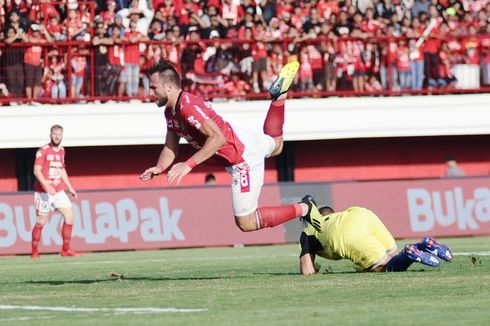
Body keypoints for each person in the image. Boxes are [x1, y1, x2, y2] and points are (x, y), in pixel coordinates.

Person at [140, 58, 325, 233]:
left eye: (153, 87)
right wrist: (160, 167)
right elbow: (170, 147)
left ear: (169, 86)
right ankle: (279, 97)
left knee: (246, 222)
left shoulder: (187, 107)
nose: (150, 93)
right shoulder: (170, 112)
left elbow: (217, 138)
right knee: (277, 146)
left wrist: (187, 165)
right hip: (241, 138)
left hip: (242, 159)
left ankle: (304, 208)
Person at [299, 201, 453, 275]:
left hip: (345, 234)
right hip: (360, 213)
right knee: (393, 255)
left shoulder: (310, 230)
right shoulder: (339, 216)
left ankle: (410, 254)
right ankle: (424, 245)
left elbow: (308, 271)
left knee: (383, 268)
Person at [31, 125, 80, 259]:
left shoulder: (62, 151)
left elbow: (61, 169)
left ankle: (65, 250)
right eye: (55, 134)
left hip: (58, 191)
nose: (57, 136)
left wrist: (70, 187)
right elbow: (36, 171)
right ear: (50, 135)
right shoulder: (43, 150)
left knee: (69, 215)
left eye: (59, 134)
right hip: (44, 192)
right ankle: (34, 251)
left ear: (62, 135)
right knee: (41, 221)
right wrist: (46, 185)